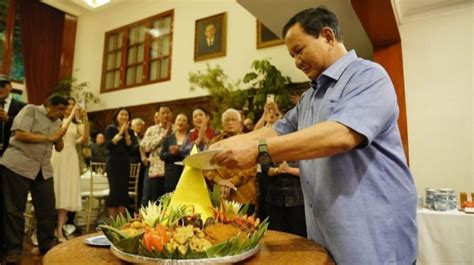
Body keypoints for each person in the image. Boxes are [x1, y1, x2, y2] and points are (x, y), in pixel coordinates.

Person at [210, 7, 417, 264]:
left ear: (328, 36)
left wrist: (259, 151)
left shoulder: (368, 76)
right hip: (326, 236)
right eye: (292, 55)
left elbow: (342, 134)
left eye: (299, 50)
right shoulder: (309, 97)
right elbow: (276, 129)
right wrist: (227, 145)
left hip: (372, 234)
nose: (296, 61)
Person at [1, 94, 68, 261]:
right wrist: (48, 137)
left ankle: (46, 247)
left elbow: (58, 148)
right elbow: (20, 135)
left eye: (64, 110)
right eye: (60, 109)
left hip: (43, 169)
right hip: (17, 165)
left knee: (47, 209)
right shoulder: (30, 110)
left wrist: (60, 136)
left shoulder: (57, 121)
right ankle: (13, 251)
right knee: (14, 210)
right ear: (49, 104)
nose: (62, 113)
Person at [204, 109, 257, 214]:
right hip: (220, 193)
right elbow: (206, 166)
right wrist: (220, 181)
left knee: (245, 226)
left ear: (240, 123)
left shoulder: (248, 140)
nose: (230, 122)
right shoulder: (215, 142)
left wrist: (232, 182)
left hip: (245, 194)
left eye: (233, 119)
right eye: (227, 120)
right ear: (223, 123)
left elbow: (252, 167)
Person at [51, 97, 89, 242]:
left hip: (71, 159)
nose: (72, 107)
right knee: (53, 191)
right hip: (57, 156)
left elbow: (84, 138)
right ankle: (44, 229)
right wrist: (73, 115)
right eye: (69, 105)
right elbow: (60, 132)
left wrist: (85, 117)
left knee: (65, 194)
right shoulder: (56, 119)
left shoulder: (75, 124)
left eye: (74, 105)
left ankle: (59, 230)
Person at [0, 75, 26, 262]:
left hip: (13, 161)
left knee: (10, 205)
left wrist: (8, 119)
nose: (0, 88)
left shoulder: (22, 107)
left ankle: (12, 247)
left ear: (10, 86)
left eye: (3, 85)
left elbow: (25, 130)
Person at [104, 107, 137, 218]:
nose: (124, 117)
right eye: (121, 114)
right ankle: (112, 220)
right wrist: (121, 132)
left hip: (125, 161)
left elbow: (131, 149)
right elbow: (109, 145)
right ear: (116, 116)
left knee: (123, 190)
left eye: (126, 115)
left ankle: (121, 220)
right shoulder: (110, 129)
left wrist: (126, 133)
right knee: (114, 190)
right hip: (113, 161)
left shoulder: (131, 131)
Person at [262, 160, 306, 237]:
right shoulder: (271, 149)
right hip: (274, 198)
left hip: (297, 199)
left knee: (298, 233)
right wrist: (277, 170)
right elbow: (265, 168)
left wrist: (289, 170)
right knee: (275, 234)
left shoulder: (301, 150)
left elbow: (307, 172)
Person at [140, 106, 172, 205]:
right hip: (155, 168)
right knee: (152, 199)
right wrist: (164, 136)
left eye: (167, 112)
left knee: (169, 200)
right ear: (158, 115)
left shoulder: (176, 128)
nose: (166, 115)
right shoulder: (152, 129)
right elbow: (146, 147)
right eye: (163, 113)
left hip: (172, 169)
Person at [160, 113, 188, 193]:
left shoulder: (190, 137)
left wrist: (179, 151)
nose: (181, 122)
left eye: (184, 120)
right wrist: (172, 154)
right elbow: (162, 156)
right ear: (175, 123)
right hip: (171, 174)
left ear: (187, 125)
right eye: (179, 120)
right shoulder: (169, 138)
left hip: (185, 172)